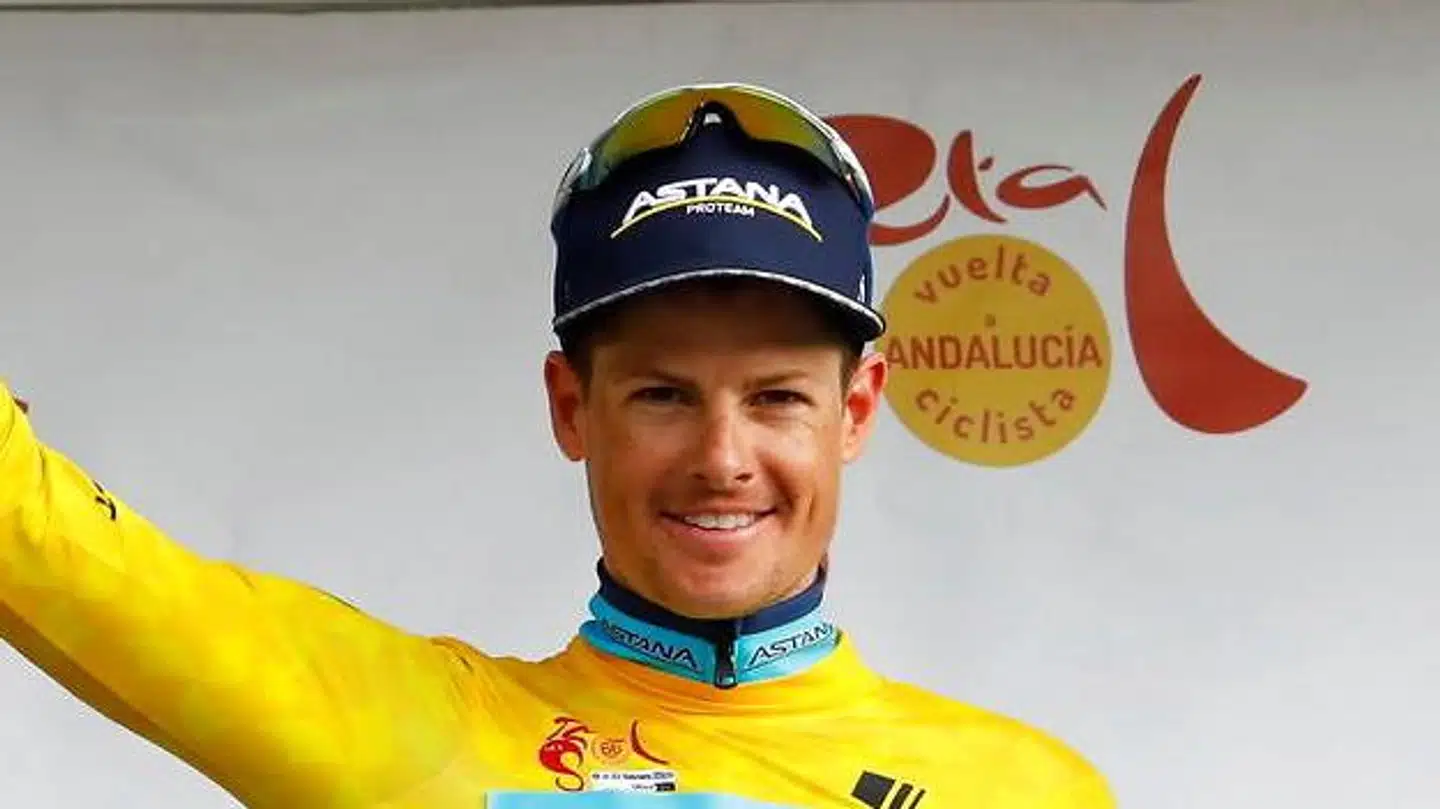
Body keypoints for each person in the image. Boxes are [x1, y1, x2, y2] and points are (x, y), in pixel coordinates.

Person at [0, 83, 1114, 808]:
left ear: (856, 411)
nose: (723, 457)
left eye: (776, 396)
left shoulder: (1028, 787)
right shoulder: (416, 732)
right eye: (664, 394)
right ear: (571, 405)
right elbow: (36, 533)